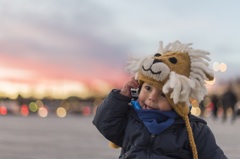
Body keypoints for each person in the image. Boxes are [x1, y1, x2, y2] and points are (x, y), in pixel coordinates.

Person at [93, 41, 227, 159]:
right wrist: (120, 97)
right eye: (147, 88)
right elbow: (104, 123)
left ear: (178, 100)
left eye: (163, 94)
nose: (152, 97)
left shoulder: (193, 130)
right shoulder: (131, 119)